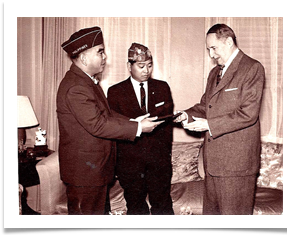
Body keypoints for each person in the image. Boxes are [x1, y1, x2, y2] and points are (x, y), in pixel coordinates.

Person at [57, 27, 163, 215]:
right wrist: (137, 127)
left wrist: (132, 120)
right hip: (85, 175)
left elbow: (106, 114)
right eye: (100, 51)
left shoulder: (86, 82)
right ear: (83, 57)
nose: (105, 56)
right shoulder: (76, 87)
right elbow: (97, 124)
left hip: (93, 172)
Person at [175, 24, 265, 215]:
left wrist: (209, 125)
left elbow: (248, 113)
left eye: (213, 48)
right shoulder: (214, 73)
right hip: (213, 164)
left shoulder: (252, 68)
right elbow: (205, 106)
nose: (211, 55)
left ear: (229, 42)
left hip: (236, 167)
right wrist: (186, 114)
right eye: (208, 50)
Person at [107, 43, 174, 215]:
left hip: (159, 163)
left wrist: (164, 155)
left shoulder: (162, 88)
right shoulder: (115, 92)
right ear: (129, 66)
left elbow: (167, 127)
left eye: (149, 66)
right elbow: (115, 127)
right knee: (136, 208)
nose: (146, 71)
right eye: (141, 66)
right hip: (130, 164)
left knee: (163, 207)